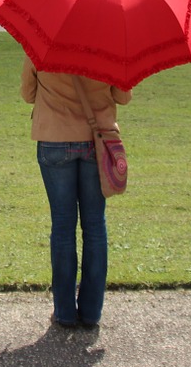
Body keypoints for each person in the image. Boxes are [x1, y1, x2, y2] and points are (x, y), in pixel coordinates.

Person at [20, 58, 131, 328]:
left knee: (62, 225)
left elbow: (28, 94)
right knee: (94, 226)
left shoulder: (41, 44)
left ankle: (65, 311)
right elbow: (123, 96)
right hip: (98, 139)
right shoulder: (109, 47)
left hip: (54, 138)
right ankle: (91, 311)